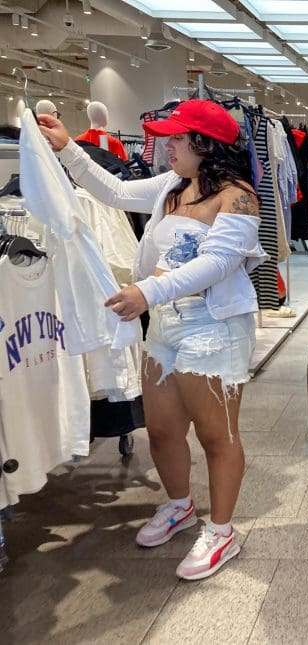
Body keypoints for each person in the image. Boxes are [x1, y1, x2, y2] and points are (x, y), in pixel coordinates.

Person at [38, 99, 267, 581]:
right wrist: (69, 151)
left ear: (206, 145)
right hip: (164, 323)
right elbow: (117, 191)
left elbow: (217, 264)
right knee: (161, 429)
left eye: (178, 139)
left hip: (215, 326)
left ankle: (222, 531)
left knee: (215, 434)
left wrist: (147, 290)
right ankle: (181, 506)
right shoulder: (171, 186)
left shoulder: (238, 196)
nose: (167, 148)